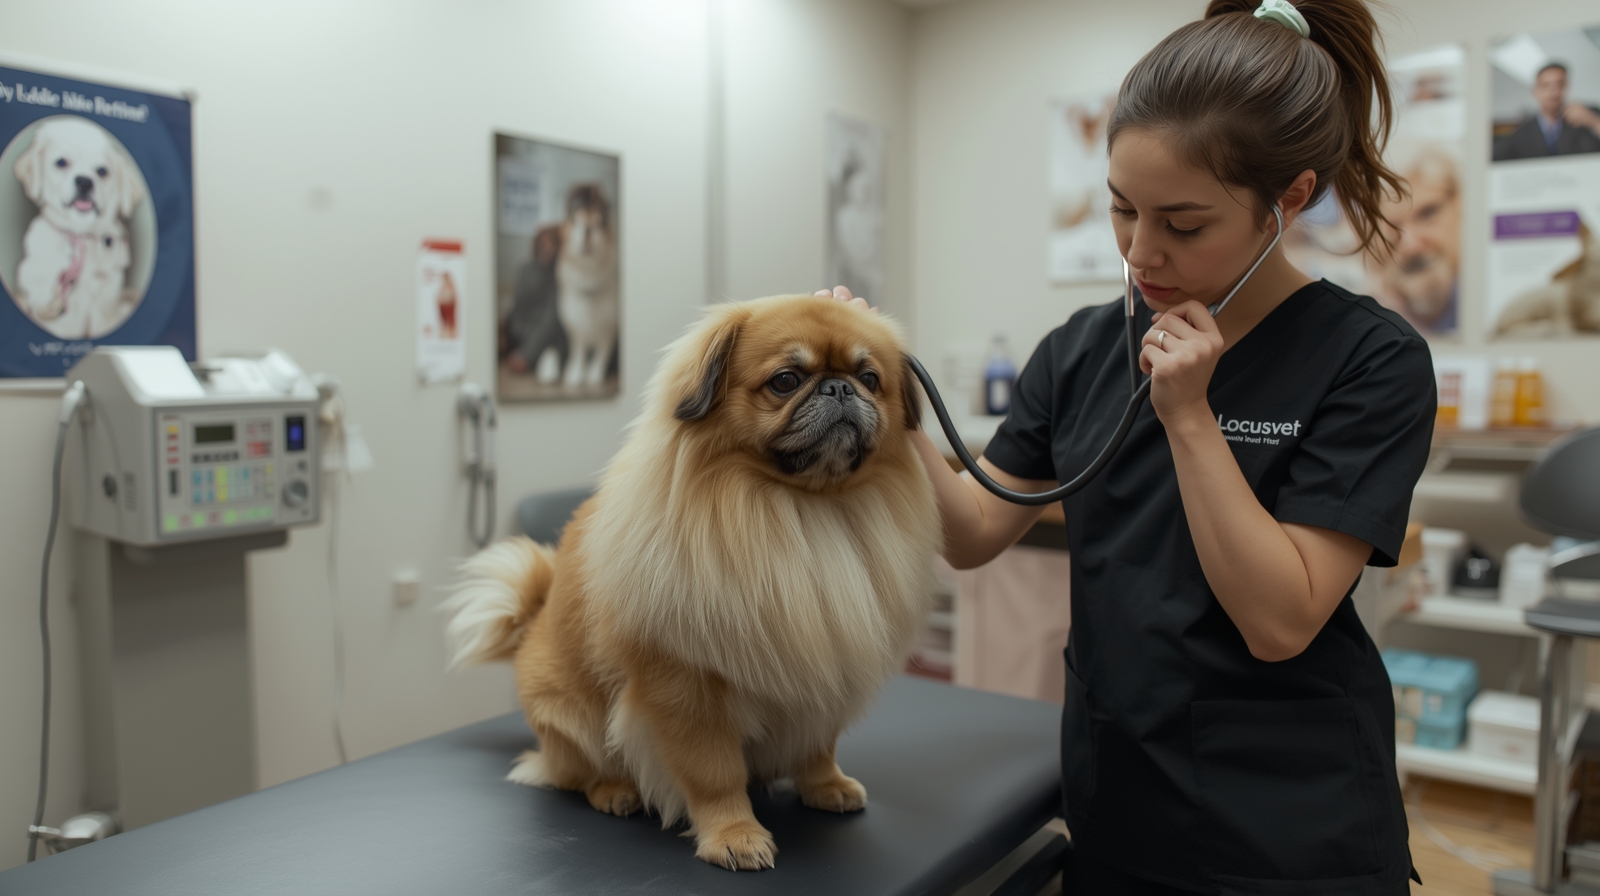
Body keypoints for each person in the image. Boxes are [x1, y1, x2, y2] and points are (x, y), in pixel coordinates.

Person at [825, 0, 1434, 891]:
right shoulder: (1081, 347)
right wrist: (891, 393)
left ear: (1289, 200)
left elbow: (1280, 620)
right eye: (1121, 211)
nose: (1141, 254)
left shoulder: (1369, 360)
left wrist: (1190, 417)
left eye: (1184, 225)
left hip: (1289, 825)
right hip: (1119, 794)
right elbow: (971, 532)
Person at [1370, 145, 1461, 332]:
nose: (1411, 246)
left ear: (1461, 205)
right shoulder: (1370, 325)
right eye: (1391, 228)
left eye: (1427, 214)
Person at [1494, 62, 1600, 161]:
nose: (1554, 92)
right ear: (1535, 91)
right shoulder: (1522, 133)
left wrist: (1594, 122)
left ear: (1567, 86)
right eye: (1546, 85)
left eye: (1560, 85)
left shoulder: (1589, 117)